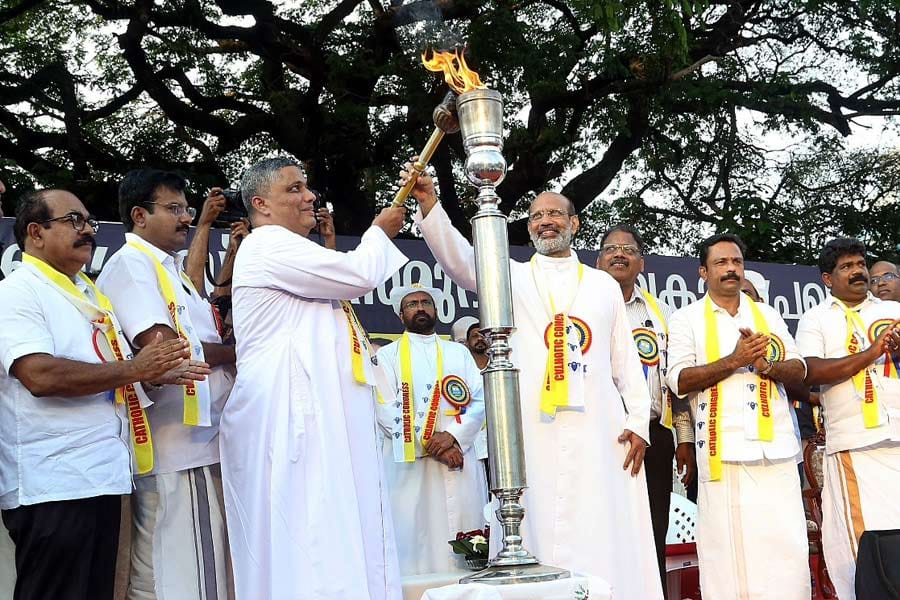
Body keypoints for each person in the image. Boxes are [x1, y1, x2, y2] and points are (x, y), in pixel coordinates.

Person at [405, 167, 662, 598]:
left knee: (603, 522)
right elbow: (460, 258)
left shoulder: (602, 285)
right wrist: (430, 203)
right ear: (529, 227)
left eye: (555, 214)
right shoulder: (512, 275)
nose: (545, 221)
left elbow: (626, 362)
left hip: (599, 429)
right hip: (533, 426)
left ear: (574, 223)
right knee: (538, 516)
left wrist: (638, 422)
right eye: (537, 215)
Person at [221, 157, 408, 600]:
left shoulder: (291, 252)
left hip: (319, 419)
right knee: (310, 538)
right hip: (292, 421)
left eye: (307, 187)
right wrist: (379, 232)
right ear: (261, 205)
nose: (309, 197)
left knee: (335, 531)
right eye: (295, 189)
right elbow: (358, 274)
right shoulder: (268, 244)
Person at [0, 189, 197, 600]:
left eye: (89, 220)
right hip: (53, 484)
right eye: (74, 220)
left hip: (103, 475)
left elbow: (113, 375)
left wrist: (155, 375)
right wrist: (136, 367)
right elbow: (38, 375)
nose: (88, 229)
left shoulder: (86, 293)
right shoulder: (18, 291)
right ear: (36, 232)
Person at [97, 169, 233, 600]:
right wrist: (242, 352)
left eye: (187, 209)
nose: (186, 218)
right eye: (173, 209)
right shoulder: (131, 266)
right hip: (172, 450)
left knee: (204, 574)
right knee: (168, 576)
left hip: (201, 444)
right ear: (139, 215)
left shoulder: (169, 268)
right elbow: (165, 348)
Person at [666, 233, 810, 599]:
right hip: (722, 451)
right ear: (703, 271)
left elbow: (798, 370)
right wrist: (735, 360)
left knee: (786, 547)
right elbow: (679, 380)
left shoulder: (768, 314)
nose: (731, 269)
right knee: (725, 553)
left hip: (774, 449)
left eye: (737, 262)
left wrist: (769, 365)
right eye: (721, 263)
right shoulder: (686, 319)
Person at [795, 238, 900, 599]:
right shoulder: (816, 318)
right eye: (846, 267)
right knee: (866, 541)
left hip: (898, 436)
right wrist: (873, 352)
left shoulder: (891, 311)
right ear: (827, 278)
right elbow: (813, 372)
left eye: (860, 264)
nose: (857, 271)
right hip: (856, 445)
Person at [595, 224, 694, 597]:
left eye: (629, 249)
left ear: (642, 262)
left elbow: (675, 379)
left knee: (651, 526)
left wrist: (683, 438)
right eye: (611, 249)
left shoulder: (663, 312)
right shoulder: (582, 305)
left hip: (655, 434)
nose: (619, 254)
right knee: (601, 522)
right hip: (600, 433)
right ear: (599, 260)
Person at [376, 285, 487, 575]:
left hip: (457, 461)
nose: (421, 308)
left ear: (436, 311)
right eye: (412, 304)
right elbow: (384, 408)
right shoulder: (386, 357)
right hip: (410, 468)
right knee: (413, 539)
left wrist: (453, 437)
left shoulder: (457, 354)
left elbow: (480, 398)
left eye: (426, 302)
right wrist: (432, 445)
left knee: (464, 532)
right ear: (401, 315)